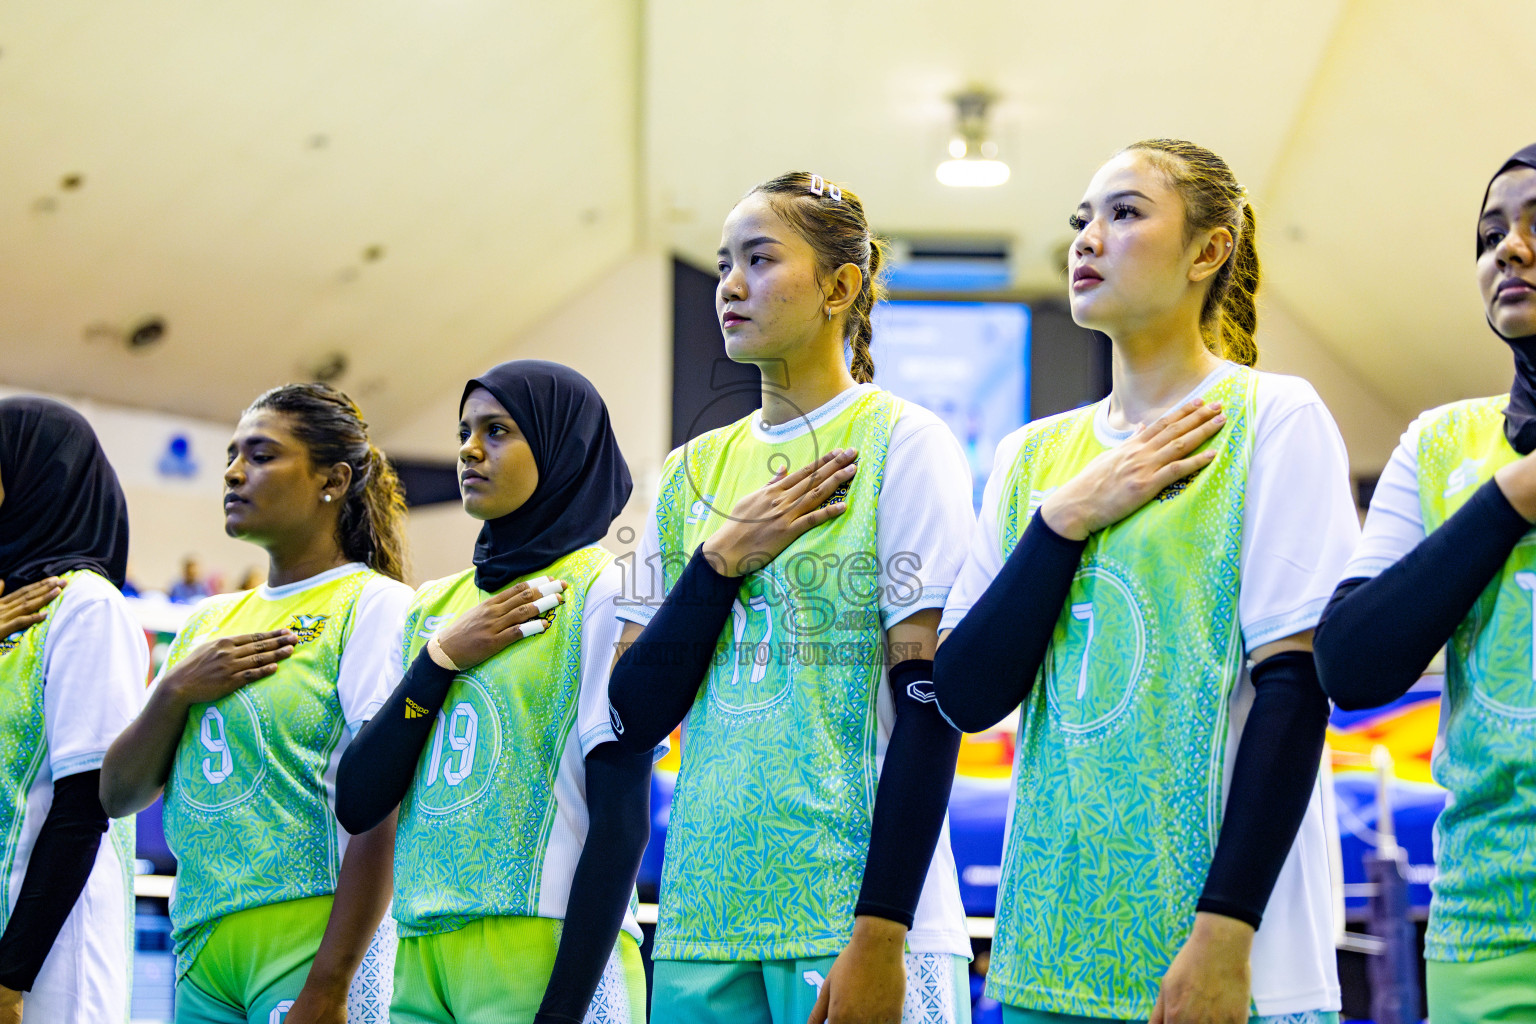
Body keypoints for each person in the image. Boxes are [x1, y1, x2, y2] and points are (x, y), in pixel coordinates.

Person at [933, 140, 1357, 1024]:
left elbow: (1294, 690)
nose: (1089, 237)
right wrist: (1063, 520)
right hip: (1044, 956)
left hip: (1227, 960)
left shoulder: (1273, 418)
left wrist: (1224, 933)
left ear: (1209, 251)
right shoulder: (1030, 458)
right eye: (1081, 219)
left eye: (1124, 213)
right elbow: (968, 693)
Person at [606, 171, 976, 1024]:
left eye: (761, 259)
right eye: (724, 262)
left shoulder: (906, 444)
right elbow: (633, 708)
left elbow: (928, 707)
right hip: (704, 921)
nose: (730, 285)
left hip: (857, 919)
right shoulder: (687, 474)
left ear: (841, 287)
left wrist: (883, 932)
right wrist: (720, 561)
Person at [335, 360, 654, 1023]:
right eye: (463, 432)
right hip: (421, 954)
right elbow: (360, 800)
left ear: (561, 448)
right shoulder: (433, 608)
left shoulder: (604, 593)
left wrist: (565, 1008)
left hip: (547, 948)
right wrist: (438, 663)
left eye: (498, 429)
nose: (469, 450)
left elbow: (621, 821)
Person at [100, 383, 411, 1023]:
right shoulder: (206, 622)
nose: (234, 473)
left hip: (312, 943)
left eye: (262, 455)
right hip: (201, 943)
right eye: (233, 455)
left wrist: (331, 983)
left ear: (332, 480)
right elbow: (117, 796)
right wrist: (176, 691)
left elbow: (382, 804)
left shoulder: (373, 606)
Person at [1314, 143, 1536, 1024]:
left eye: (1533, 229)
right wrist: (1512, 496)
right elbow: (1353, 664)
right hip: (1489, 929)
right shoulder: (1443, 446)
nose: (1508, 251)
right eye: (1490, 235)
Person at [0, 396, 145, 1023]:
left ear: (38, 475)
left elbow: (83, 807)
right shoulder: (10, 621)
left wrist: (10, 977)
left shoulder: (87, 608)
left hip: (50, 964)